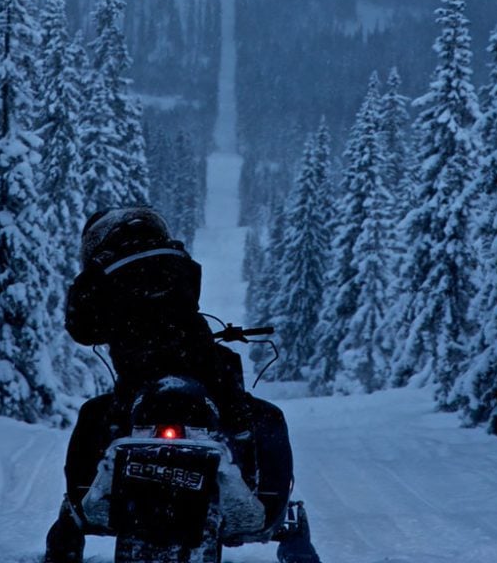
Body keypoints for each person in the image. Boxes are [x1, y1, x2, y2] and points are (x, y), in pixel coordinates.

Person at [44, 205, 322, 563]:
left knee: (94, 418)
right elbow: (185, 306)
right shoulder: (178, 259)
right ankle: (269, 503)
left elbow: (82, 331)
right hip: (201, 369)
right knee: (265, 419)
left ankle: (75, 514)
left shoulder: (96, 274)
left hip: (141, 377)